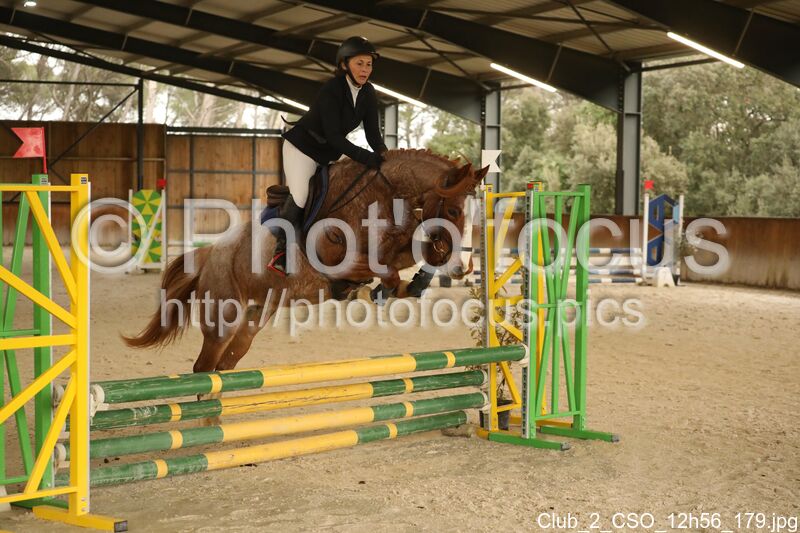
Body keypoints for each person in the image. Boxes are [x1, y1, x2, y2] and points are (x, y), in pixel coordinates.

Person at [267, 36, 388, 275]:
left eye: (368, 64)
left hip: (329, 152)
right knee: (301, 195)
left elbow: (373, 134)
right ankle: (280, 252)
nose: (365, 69)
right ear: (344, 64)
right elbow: (334, 136)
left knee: (353, 186)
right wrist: (366, 157)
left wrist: (386, 157)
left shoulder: (368, 92)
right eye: (359, 64)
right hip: (302, 148)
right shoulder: (332, 89)